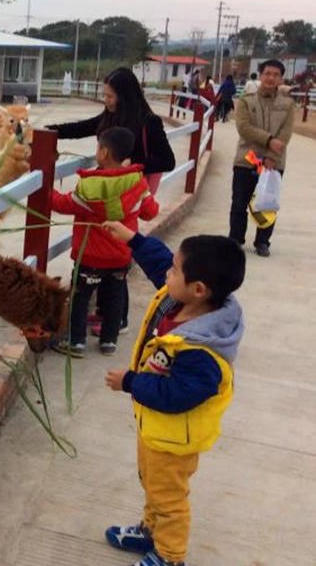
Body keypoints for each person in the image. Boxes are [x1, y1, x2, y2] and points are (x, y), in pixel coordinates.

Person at [102, 222, 245, 566]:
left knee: (169, 497)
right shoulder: (177, 301)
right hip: (155, 427)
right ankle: (150, 531)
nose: (167, 272)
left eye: (175, 269)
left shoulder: (202, 352)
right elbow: (157, 262)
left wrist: (131, 382)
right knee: (151, 483)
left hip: (175, 438)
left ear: (198, 289)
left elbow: (177, 394)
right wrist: (134, 240)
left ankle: (170, 555)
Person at [47, 67, 176, 335]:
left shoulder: (148, 122)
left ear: (124, 96)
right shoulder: (110, 117)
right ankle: (108, 316)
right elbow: (83, 128)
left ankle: (119, 319)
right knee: (112, 255)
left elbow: (168, 160)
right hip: (107, 192)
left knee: (121, 251)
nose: (106, 100)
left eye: (110, 96)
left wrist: (134, 163)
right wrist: (49, 132)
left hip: (128, 191)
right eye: (104, 95)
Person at [48, 127, 159, 357]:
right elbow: (150, 212)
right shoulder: (137, 183)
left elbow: (62, 204)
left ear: (104, 152)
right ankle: (109, 341)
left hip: (89, 257)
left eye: (98, 147)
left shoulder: (89, 186)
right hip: (120, 256)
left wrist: (43, 189)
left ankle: (76, 341)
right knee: (114, 298)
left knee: (80, 297)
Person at [229, 59, 298, 257]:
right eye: (267, 73)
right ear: (260, 75)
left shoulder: (287, 104)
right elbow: (243, 127)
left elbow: (286, 132)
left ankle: (262, 241)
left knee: (268, 203)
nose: (271, 78)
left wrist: (271, 155)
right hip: (246, 159)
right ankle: (235, 240)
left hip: (274, 163)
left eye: (276, 75)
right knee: (239, 202)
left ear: (281, 78)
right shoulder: (246, 100)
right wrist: (269, 140)